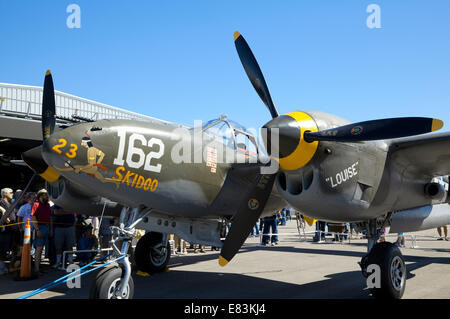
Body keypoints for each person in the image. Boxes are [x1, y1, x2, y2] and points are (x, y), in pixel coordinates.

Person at [31, 189, 53, 275]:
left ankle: (38, 267)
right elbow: (33, 217)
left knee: (41, 249)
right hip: (40, 227)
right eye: (46, 195)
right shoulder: (36, 204)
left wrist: (51, 229)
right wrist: (37, 230)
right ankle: (36, 269)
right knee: (38, 249)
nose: (47, 197)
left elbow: (50, 217)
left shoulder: (47, 205)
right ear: (41, 196)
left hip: (47, 227)